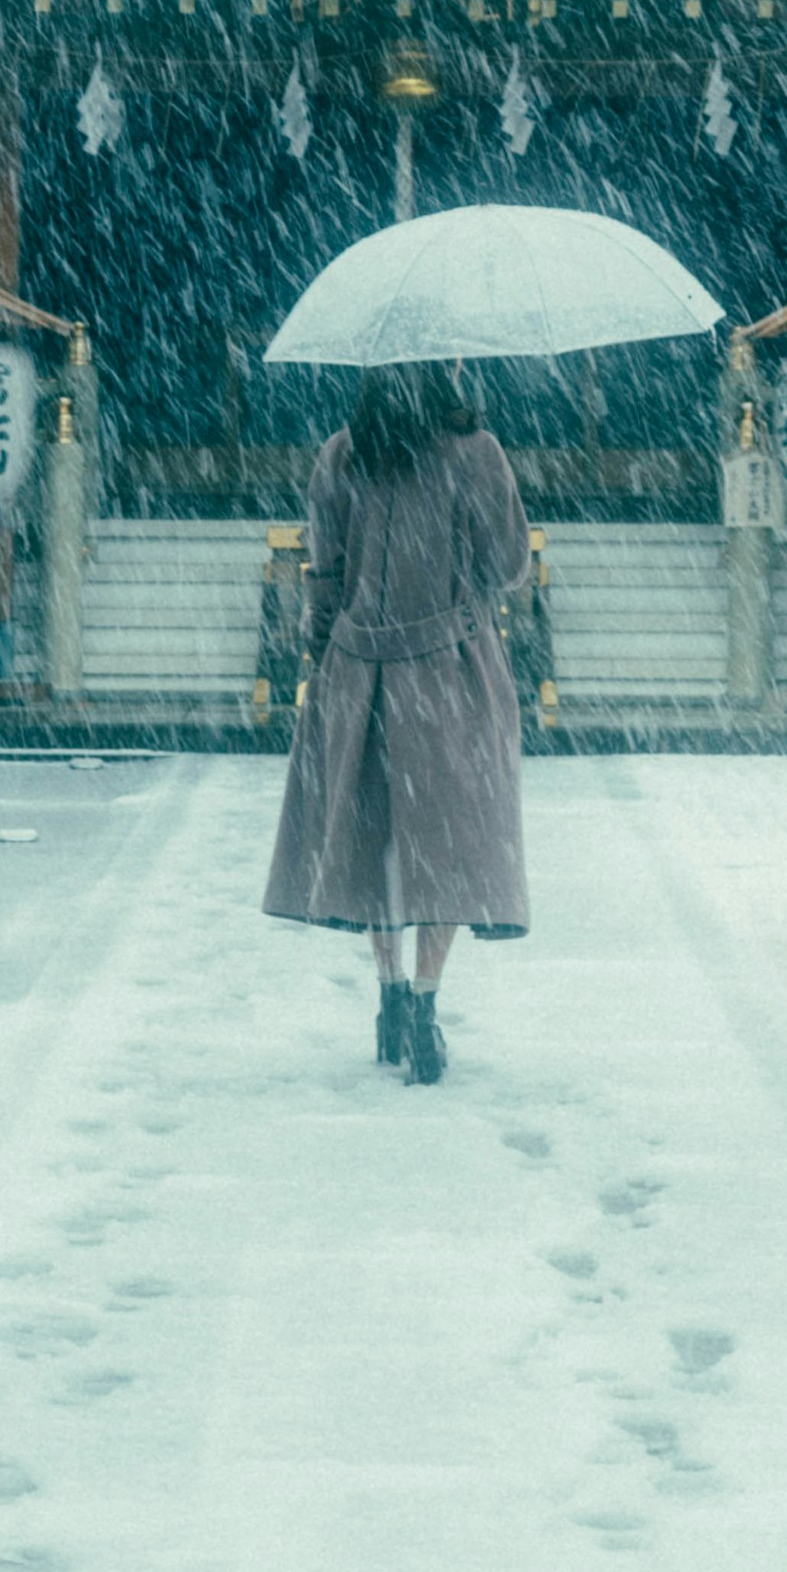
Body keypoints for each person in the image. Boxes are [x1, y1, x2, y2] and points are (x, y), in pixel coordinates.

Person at [260, 356, 531, 1085]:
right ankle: (424, 999)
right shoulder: (475, 452)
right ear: (446, 367)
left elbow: (324, 570)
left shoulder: (344, 451)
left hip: (360, 670)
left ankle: (385, 993)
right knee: (444, 848)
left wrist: (321, 649)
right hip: (449, 672)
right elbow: (507, 565)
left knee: (377, 840)